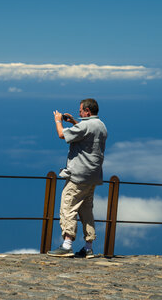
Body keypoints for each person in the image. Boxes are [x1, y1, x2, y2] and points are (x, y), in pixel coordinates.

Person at [48, 98, 107, 258]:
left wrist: (58, 121)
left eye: (81, 111)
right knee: (86, 211)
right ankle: (88, 247)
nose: (79, 113)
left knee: (68, 207)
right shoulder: (101, 126)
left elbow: (62, 134)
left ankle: (67, 245)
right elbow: (85, 134)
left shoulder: (85, 125)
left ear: (87, 111)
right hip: (93, 176)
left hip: (78, 176)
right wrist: (74, 121)